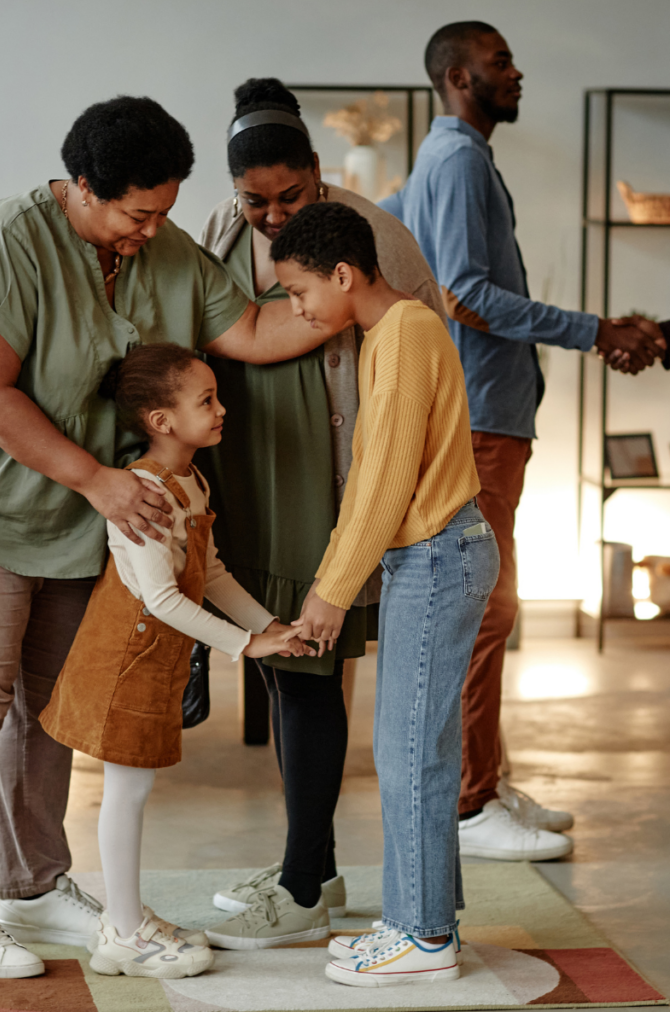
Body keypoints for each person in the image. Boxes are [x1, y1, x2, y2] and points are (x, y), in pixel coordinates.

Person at [0, 94, 331, 978]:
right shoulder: (10, 242)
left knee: (48, 712)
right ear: (85, 189)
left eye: (165, 212)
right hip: (5, 514)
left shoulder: (156, 242)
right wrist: (97, 478)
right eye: (138, 213)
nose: (152, 231)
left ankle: (31, 885)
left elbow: (251, 328)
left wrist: (358, 301)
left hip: (89, 524)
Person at [379, 21, 667, 861]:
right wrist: (594, 329)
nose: (517, 73)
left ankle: (481, 779)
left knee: (490, 604)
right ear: (459, 74)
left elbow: (416, 259)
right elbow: (466, 293)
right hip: (477, 413)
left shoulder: (443, 157)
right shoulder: (459, 159)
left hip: (486, 409)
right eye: (500, 62)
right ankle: (468, 804)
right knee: (483, 609)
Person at [196, 78, 447, 945]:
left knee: (308, 673)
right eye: (254, 199)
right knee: (281, 669)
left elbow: (420, 334)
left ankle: (307, 879)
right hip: (251, 482)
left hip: (330, 489)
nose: (270, 215)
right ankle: (314, 865)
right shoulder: (221, 231)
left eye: (288, 196)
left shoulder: (370, 235)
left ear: (317, 172)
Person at [246, 200, 498, 987]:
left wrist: (328, 592)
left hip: (435, 554)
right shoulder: (389, 335)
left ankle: (422, 940)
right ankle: (424, 922)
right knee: (415, 749)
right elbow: (368, 489)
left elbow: (386, 481)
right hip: (424, 557)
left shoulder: (408, 334)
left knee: (408, 754)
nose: (296, 310)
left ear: (345, 275)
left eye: (297, 292)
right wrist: (336, 578)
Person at [39, 343, 311, 978]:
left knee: (134, 790)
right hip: (124, 661)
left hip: (154, 662)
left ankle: (126, 920)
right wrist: (246, 647)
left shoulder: (192, 480)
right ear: (161, 421)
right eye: (207, 401)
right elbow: (161, 598)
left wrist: (268, 626)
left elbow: (209, 572)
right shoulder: (142, 493)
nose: (222, 410)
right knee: (125, 793)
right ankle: (123, 933)